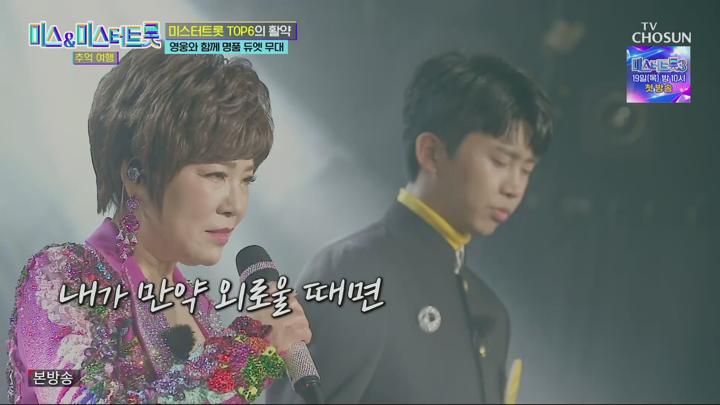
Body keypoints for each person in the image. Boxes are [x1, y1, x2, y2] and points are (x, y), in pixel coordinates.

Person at [6, 48, 311, 404]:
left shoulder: (199, 307)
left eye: (246, 179)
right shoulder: (62, 277)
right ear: (135, 175)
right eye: (216, 175)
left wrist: (259, 352)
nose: (236, 206)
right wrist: (248, 353)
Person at [266, 51, 554, 403]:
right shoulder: (356, 273)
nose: (514, 187)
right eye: (500, 161)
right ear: (431, 152)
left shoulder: (490, 311)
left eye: (526, 169)